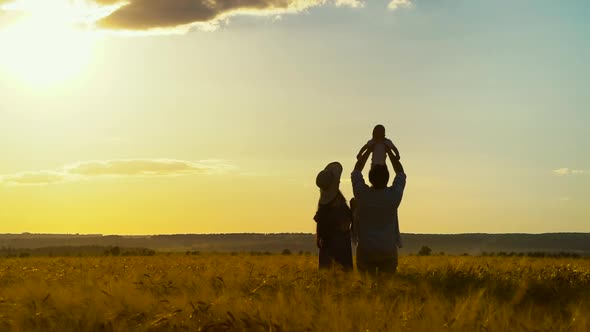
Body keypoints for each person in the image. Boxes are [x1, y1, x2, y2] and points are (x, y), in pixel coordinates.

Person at [351, 143, 406, 275]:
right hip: (388, 249)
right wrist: (388, 151)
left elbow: (356, 172)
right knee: (387, 289)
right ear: (388, 179)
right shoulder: (393, 196)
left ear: (370, 178)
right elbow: (400, 173)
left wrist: (370, 149)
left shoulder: (362, 194)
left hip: (366, 249)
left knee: (364, 290)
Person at [314, 162, 353, 271]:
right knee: (344, 279)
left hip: (326, 247)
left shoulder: (322, 207)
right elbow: (345, 226)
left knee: (326, 280)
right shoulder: (339, 205)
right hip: (341, 248)